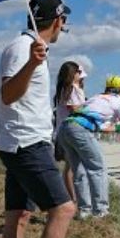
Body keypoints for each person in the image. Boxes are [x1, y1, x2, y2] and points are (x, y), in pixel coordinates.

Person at [0, 0, 75, 238]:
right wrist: (31, 63)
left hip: (19, 142)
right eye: (64, 19)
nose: (64, 26)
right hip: (25, 143)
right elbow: (8, 94)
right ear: (57, 20)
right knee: (63, 209)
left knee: (18, 217)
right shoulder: (24, 48)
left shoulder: (28, 47)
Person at [58, 75, 120, 220]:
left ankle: (84, 211)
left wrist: (118, 128)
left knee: (79, 170)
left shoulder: (95, 98)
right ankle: (100, 212)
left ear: (106, 88)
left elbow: (102, 126)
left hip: (66, 126)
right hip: (81, 129)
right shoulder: (119, 102)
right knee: (97, 169)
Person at [53, 61, 87, 205]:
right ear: (73, 74)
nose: (81, 76)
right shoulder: (72, 89)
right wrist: (89, 107)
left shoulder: (64, 89)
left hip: (63, 130)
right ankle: (74, 199)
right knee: (73, 167)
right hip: (71, 130)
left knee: (70, 166)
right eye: (79, 73)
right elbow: (74, 108)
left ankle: (72, 197)